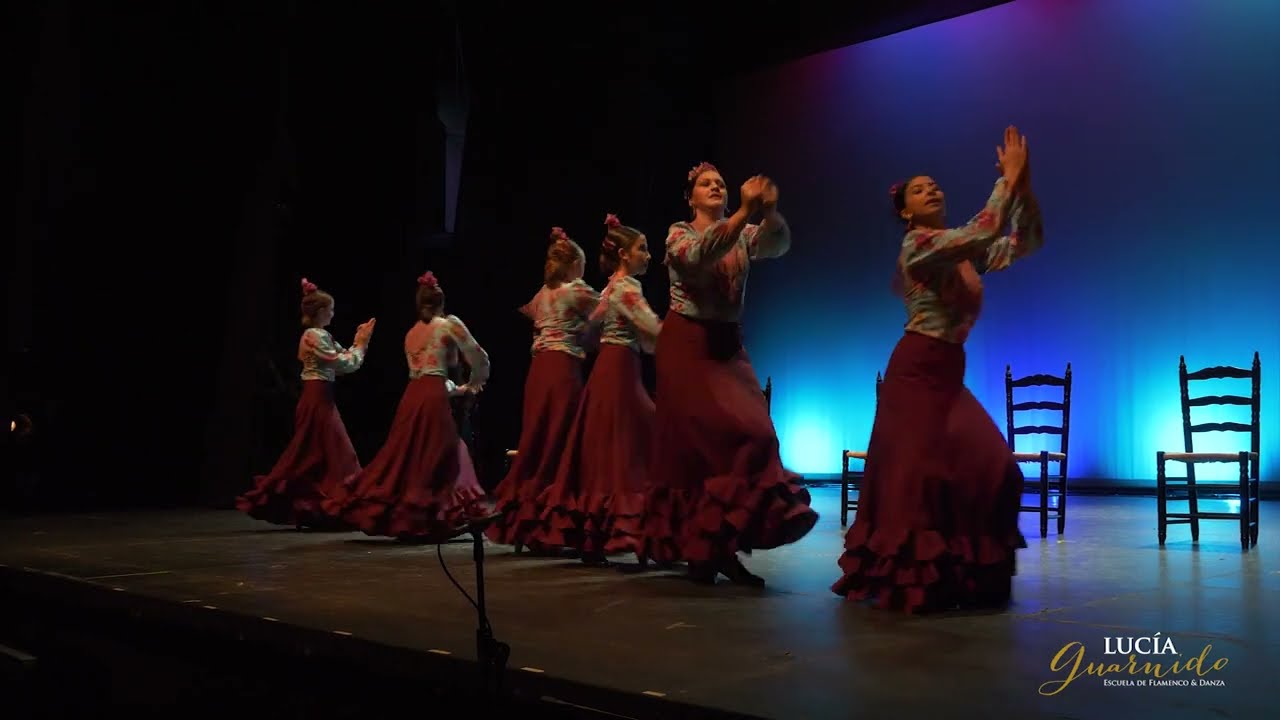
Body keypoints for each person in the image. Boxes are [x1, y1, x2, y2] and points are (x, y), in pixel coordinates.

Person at [831, 125, 1043, 613]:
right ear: (905, 210)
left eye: (935, 184)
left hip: (948, 375)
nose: (933, 189)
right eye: (919, 189)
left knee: (997, 469)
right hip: (916, 373)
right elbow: (987, 227)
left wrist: (1023, 191)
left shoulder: (959, 248)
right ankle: (914, 581)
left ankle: (965, 577)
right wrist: (1007, 180)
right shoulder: (919, 246)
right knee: (916, 486)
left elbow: (1024, 241)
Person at [641, 162, 818, 585]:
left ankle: (717, 547)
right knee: (707, 446)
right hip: (688, 345)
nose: (716, 187)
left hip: (727, 347)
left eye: (720, 182)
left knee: (758, 434)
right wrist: (742, 213)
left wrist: (770, 213)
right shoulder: (678, 234)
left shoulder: (745, 233)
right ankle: (709, 550)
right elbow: (702, 254)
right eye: (706, 184)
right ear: (690, 197)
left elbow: (777, 244)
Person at [326, 271, 491, 541]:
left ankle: (417, 515)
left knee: (410, 454)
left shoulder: (411, 333)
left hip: (413, 396)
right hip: (432, 396)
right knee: (439, 452)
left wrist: (455, 388)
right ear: (441, 303)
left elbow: (425, 374)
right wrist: (475, 382)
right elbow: (478, 356)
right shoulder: (449, 324)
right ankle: (434, 513)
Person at [538, 213, 662, 563]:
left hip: (607, 368)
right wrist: (685, 341)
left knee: (605, 448)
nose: (648, 256)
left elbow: (589, 331)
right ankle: (637, 531)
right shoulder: (627, 286)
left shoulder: (609, 286)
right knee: (636, 444)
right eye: (643, 249)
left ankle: (595, 535)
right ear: (624, 254)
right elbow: (651, 329)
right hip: (621, 368)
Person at [486, 228, 602, 549]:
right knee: (560, 442)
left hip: (538, 371)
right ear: (576, 264)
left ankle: (527, 518)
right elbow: (609, 309)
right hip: (563, 370)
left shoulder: (541, 294)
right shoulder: (577, 291)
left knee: (537, 440)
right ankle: (551, 522)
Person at [237, 278, 375, 528]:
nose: (333, 313)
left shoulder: (320, 335)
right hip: (317, 400)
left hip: (321, 397)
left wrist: (357, 341)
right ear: (321, 311)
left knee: (317, 456)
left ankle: (324, 509)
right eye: (330, 309)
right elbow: (345, 363)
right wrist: (362, 343)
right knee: (340, 455)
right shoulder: (314, 336)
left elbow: (343, 359)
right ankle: (345, 506)